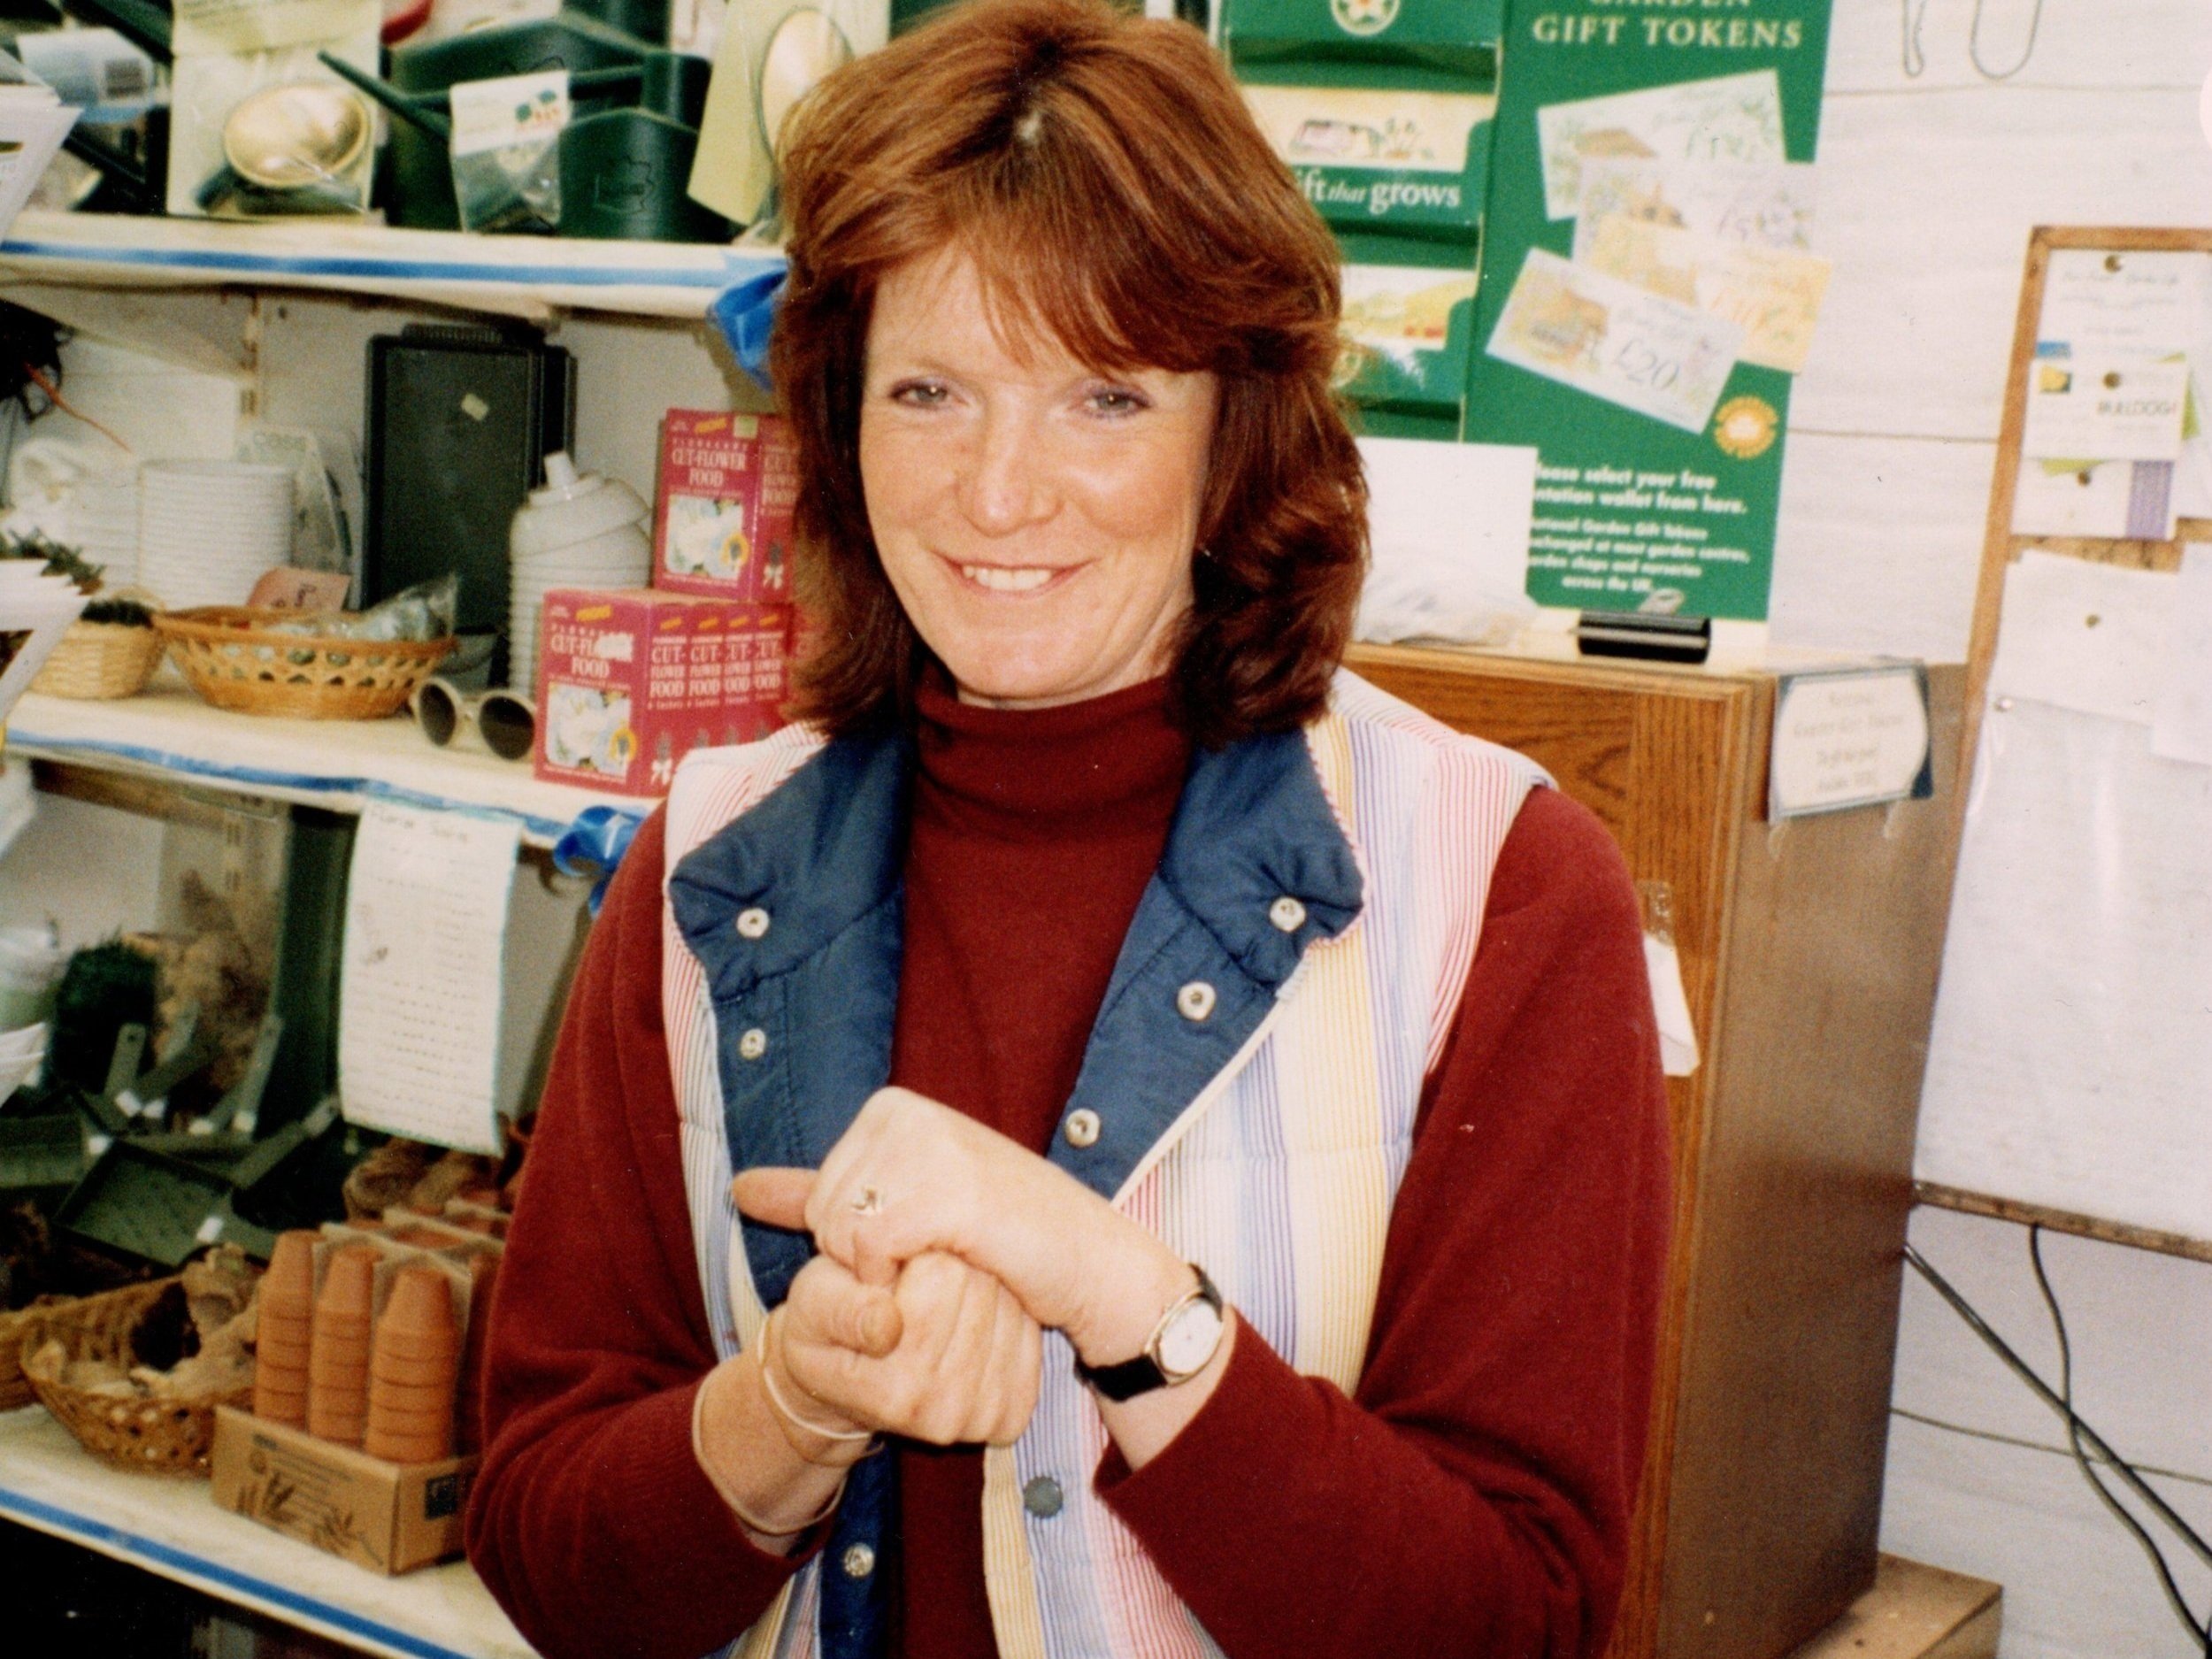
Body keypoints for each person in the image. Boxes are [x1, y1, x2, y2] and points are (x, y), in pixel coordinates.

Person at [465, 2, 1671, 1655]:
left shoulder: (1501, 887)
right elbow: (546, 1555)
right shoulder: (711, 862)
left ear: (1235, 426)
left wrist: (1120, 1300)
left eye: (1102, 398)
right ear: (841, 418)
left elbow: (1514, 1619)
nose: (999, 492)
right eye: (932, 391)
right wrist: (794, 1408)